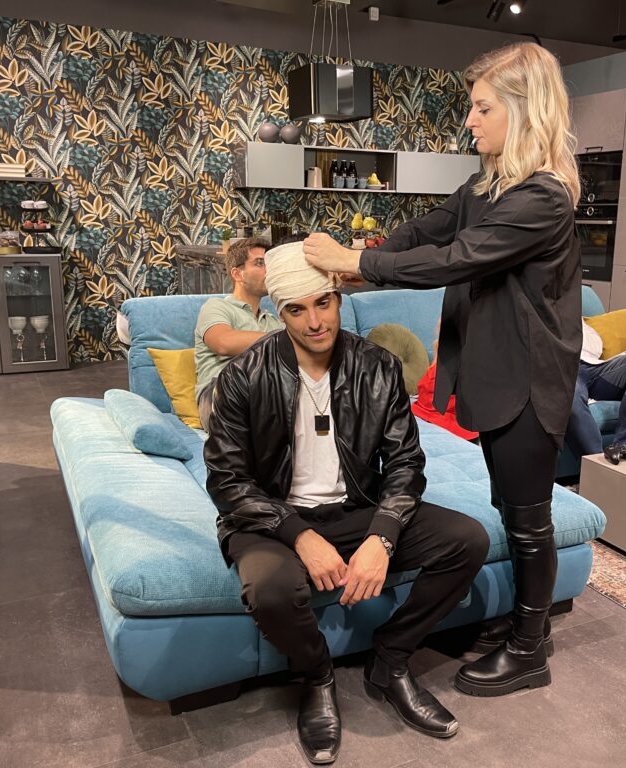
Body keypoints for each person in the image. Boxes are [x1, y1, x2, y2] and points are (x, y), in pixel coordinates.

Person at [303, 42, 581, 697]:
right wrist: (365, 258)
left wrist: (355, 262)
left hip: (528, 381)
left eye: (483, 108)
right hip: (496, 375)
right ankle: (529, 624)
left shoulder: (542, 197)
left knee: (529, 519)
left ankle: (529, 650)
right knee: (510, 506)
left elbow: (457, 258)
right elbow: (431, 229)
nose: (470, 121)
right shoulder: (489, 183)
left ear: (524, 109)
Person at [204, 242, 489, 763]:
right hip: (271, 518)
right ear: (279, 312)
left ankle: (391, 659)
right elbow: (226, 481)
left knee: (467, 540)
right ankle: (317, 677)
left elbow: (405, 463)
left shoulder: (377, 367)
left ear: (338, 298)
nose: (315, 322)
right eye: (297, 309)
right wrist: (298, 535)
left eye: (323, 303)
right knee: (270, 588)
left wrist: (383, 534)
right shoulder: (244, 375)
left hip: (356, 507)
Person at [194, 237, 280, 430]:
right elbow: (223, 342)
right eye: (260, 263)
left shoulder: (273, 321)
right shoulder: (217, 307)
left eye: (270, 264)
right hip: (218, 395)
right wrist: (284, 339)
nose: (269, 270)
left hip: (267, 396)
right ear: (237, 274)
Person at [565, 321, 626, 464]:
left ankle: (625, 445)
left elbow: (596, 347)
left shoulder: (572, 316)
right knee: (569, 390)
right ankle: (597, 466)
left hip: (591, 366)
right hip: (561, 370)